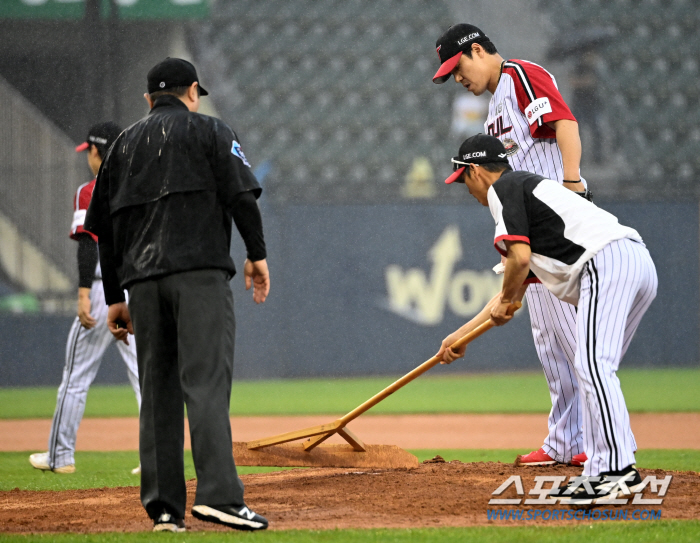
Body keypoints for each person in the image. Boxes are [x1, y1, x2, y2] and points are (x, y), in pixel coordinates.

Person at [84, 58, 270, 533]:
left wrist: (118, 294)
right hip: (198, 275)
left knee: (158, 392)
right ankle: (219, 497)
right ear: (192, 92)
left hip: (143, 284)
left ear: (148, 100)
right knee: (204, 383)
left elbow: (102, 229)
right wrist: (256, 254)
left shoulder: (123, 144)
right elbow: (242, 196)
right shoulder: (210, 130)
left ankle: (164, 508)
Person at [438, 134, 656, 503]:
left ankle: (617, 472)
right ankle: (604, 469)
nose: (466, 190)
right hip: (634, 262)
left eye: (462, 180)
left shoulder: (503, 190)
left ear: (474, 171)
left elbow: (518, 264)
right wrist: (458, 337)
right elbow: (513, 283)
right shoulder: (526, 190)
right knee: (596, 371)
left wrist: (507, 299)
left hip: (606, 263)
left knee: (591, 366)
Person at [433, 23, 593, 467]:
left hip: (557, 229)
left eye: (458, 66)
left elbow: (563, 122)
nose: (457, 78)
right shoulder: (492, 115)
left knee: (577, 345)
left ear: (478, 50)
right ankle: (564, 442)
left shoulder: (520, 75)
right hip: (533, 235)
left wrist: (572, 183)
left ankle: (601, 447)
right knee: (551, 345)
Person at [29, 122, 141, 476]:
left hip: (99, 289)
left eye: (89, 152)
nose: (88, 159)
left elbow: (88, 241)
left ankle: (60, 457)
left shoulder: (90, 190)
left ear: (95, 151)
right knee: (145, 376)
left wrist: (82, 292)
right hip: (136, 289)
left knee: (76, 375)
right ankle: (155, 457)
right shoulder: (140, 186)